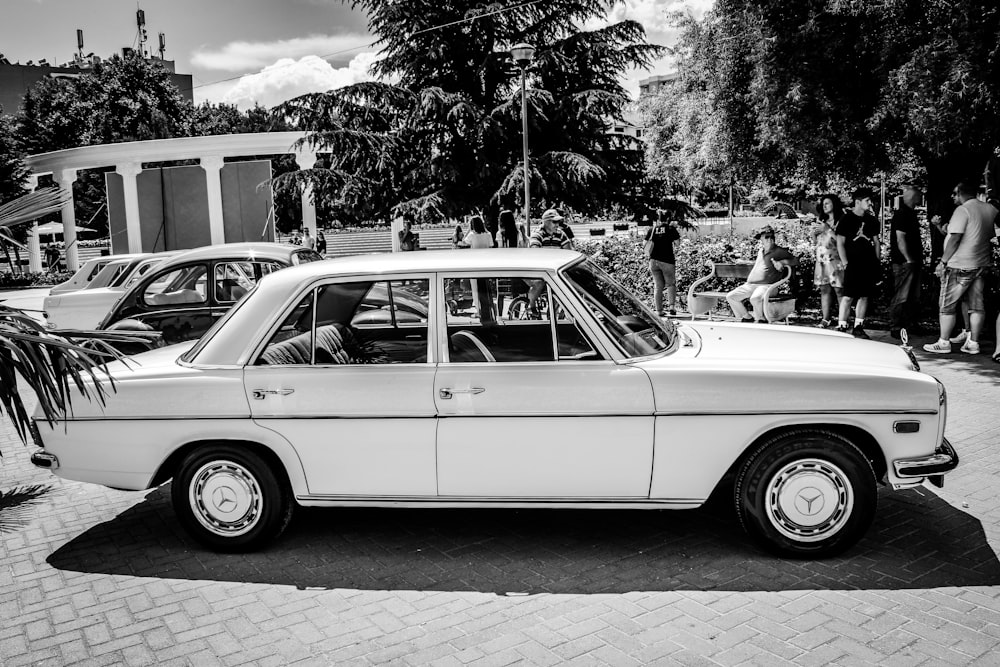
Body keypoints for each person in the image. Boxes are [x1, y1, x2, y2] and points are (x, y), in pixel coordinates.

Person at [923, 181, 998, 355]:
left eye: (955, 194)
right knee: (976, 305)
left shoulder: (962, 210)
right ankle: (973, 343)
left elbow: (955, 237)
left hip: (959, 265)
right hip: (981, 263)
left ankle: (943, 342)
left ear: (962, 194)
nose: (952, 197)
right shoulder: (990, 210)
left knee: (947, 305)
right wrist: (939, 227)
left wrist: (943, 262)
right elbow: (980, 232)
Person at [725, 226, 798, 323]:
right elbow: (761, 265)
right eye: (767, 237)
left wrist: (782, 262)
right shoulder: (761, 251)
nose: (770, 239)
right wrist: (743, 261)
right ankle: (747, 317)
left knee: (755, 298)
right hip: (751, 285)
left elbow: (796, 260)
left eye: (772, 236)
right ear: (761, 239)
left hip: (768, 286)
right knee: (731, 297)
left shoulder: (779, 251)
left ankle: (761, 319)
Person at [835, 187, 881, 339]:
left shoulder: (872, 221)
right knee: (848, 295)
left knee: (864, 295)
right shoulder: (846, 219)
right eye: (867, 201)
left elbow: (876, 242)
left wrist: (877, 261)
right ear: (858, 202)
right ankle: (842, 325)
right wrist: (845, 262)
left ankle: (858, 326)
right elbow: (840, 242)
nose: (870, 204)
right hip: (852, 262)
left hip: (868, 262)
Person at [888, 185, 924, 338]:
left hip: (910, 261)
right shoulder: (902, 214)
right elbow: (900, 238)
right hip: (904, 262)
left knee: (911, 295)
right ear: (913, 197)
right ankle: (896, 325)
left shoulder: (909, 213)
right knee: (902, 294)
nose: (921, 198)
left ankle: (909, 323)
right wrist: (908, 258)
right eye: (919, 196)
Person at [812, 194, 844, 328]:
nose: (824, 206)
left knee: (839, 290)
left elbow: (841, 241)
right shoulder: (821, 221)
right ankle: (825, 319)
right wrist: (814, 234)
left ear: (834, 205)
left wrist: (828, 230)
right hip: (821, 260)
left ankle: (843, 320)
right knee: (824, 289)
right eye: (823, 204)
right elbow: (816, 242)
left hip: (835, 259)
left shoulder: (841, 221)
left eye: (827, 203)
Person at [644, 210, 680, 316]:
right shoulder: (670, 229)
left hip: (653, 261)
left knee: (658, 286)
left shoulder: (652, 229)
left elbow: (645, 244)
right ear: (668, 219)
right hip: (667, 261)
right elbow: (677, 243)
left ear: (658, 218)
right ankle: (672, 307)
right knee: (670, 284)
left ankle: (659, 311)